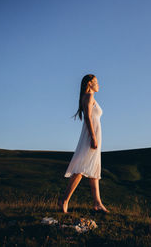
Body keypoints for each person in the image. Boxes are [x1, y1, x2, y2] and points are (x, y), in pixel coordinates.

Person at [58, 74, 109, 213]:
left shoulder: (89, 97)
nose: (99, 85)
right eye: (96, 82)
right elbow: (87, 117)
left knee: (93, 168)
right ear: (89, 83)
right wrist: (93, 137)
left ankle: (97, 203)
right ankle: (64, 200)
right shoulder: (89, 96)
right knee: (81, 169)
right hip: (90, 135)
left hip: (93, 135)